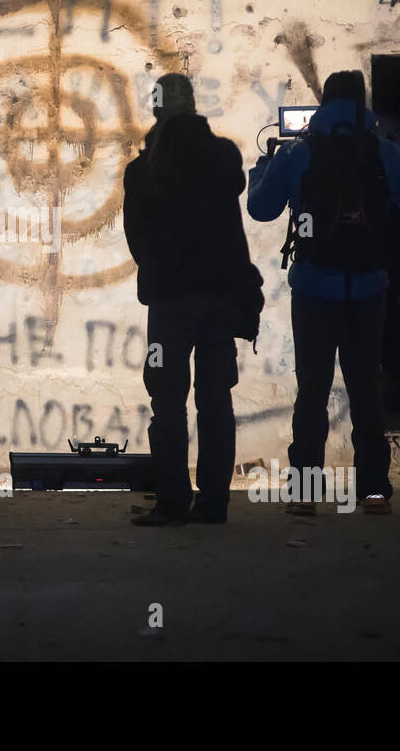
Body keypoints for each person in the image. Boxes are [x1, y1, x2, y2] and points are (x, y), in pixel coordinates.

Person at [247, 70, 400, 515]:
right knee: (366, 389)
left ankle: (306, 493)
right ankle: (372, 493)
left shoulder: (298, 152)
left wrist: (261, 170)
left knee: (312, 390)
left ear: (324, 103)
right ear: (360, 103)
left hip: (313, 289)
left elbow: (260, 207)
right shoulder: (382, 151)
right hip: (368, 290)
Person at [122, 73, 261, 527]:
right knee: (216, 399)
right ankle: (214, 502)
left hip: (168, 302)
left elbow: (137, 240)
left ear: (157, 108)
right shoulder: (223, 157)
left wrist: (162, 267)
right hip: (220, 298)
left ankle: (172, 501)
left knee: (167, 401)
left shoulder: (143, 170)